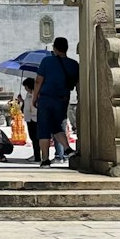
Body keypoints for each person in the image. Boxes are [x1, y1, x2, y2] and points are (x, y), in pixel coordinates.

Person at [31, 37, 79, 167]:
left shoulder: (47, 61)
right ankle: (67, 149)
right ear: (66, 48)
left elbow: (38, 81)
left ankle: (45, 159)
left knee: (44, 129)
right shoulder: (74, 64)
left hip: (46, 99)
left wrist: (34, 98)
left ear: (55, 48)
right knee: (57, 126)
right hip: (62, 99)